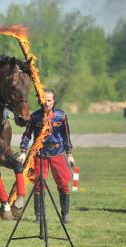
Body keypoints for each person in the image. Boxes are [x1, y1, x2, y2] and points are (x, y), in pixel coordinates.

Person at [17, 89, 75, 224]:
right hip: (39, 154)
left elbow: (66, 136)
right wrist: (23, 151)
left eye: (50, 100)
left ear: (54, 101)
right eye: (45, 100)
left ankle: (65, 213)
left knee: (63, 183)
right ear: (40, 100)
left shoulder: (61, 116)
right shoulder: (35, 116)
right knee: (38, 184)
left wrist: (69, 153)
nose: (47, 103)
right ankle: (39, 215)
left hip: (57, 152)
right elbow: (27, 135)